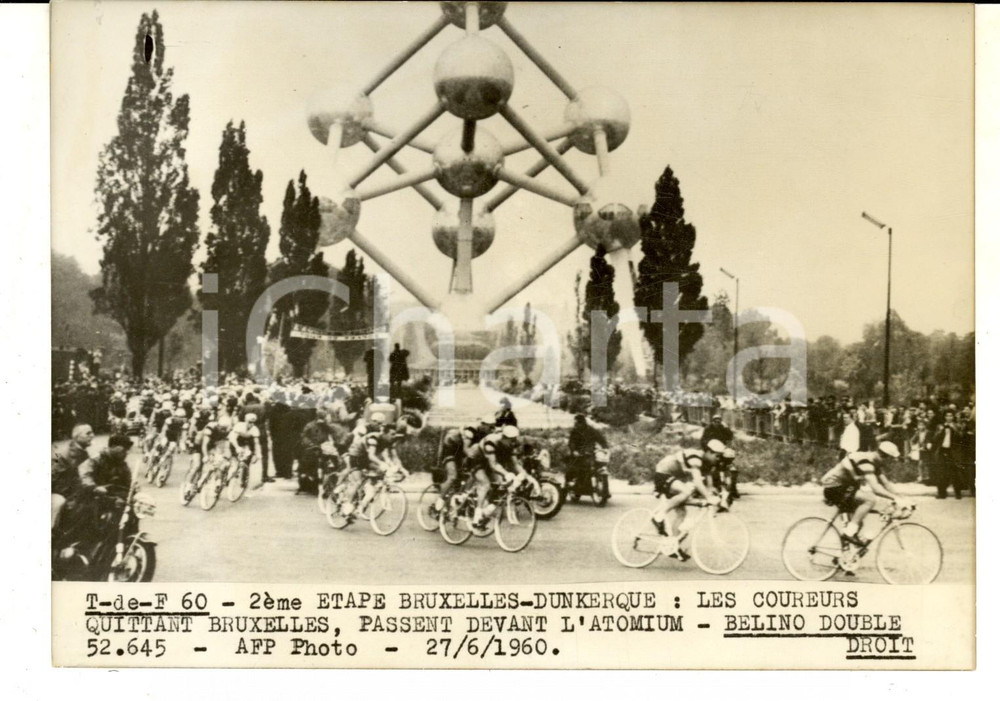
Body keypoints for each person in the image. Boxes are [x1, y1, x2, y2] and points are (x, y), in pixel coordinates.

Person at [819, 441, 906, 544]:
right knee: (870, 499)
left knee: (857, 521)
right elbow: (876, 489)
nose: (890, 463)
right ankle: (848, 534)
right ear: (885, 456)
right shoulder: (866, 463)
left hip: (844, 487)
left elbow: (886, 483)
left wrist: (902, 498)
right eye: (891, 459)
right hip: (834, 487)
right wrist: (895, 498)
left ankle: (845, 554)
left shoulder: (874, 461)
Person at [650, 441, 725, 560]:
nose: (718, 459)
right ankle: (658, 516)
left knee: (682, 514)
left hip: (676, 479)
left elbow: (709, 486)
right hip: (663, 473)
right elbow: (698, 482)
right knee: (686, 491)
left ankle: (672, 546)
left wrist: (714, 496)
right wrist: (709, 497)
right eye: (717, 455)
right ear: (709, 452)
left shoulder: (708, 464)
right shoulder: (696, 458)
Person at [51, 424, 95, 529]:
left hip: (73, 491)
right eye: (88, 433)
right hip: (60, 492)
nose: (92, 436)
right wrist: (72, 494)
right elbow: (54, 477)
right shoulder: (60, 454)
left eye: (92, 433)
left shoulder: (83, 452)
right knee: (59, 503)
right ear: (76, 436)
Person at [566, 413, 608, 496]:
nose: (577, 424)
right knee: (574, 468)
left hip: (590, 453)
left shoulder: (591, 430)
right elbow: (571, 442)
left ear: (583, 422)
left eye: (578, 422)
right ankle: (574, 486)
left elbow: (601, 439)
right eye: (576, 423)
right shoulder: (575, 431)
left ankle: (604, 490)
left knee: (598, 465)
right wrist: (574, 451)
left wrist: (605, 447)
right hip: (578, 454)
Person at [932, 411, 962, 499]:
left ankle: (958, 493)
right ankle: (941, 493)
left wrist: (954, 429)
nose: (949, 417)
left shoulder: (957, 426)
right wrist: (941, 431)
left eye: (951, 416)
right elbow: (934, 438)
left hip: (953, 452)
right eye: (947, 416)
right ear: (944, 417)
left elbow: (961, 437)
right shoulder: (940, 426)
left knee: (955, 472)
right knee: (941, 472)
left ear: (953, 417)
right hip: (942, 450)